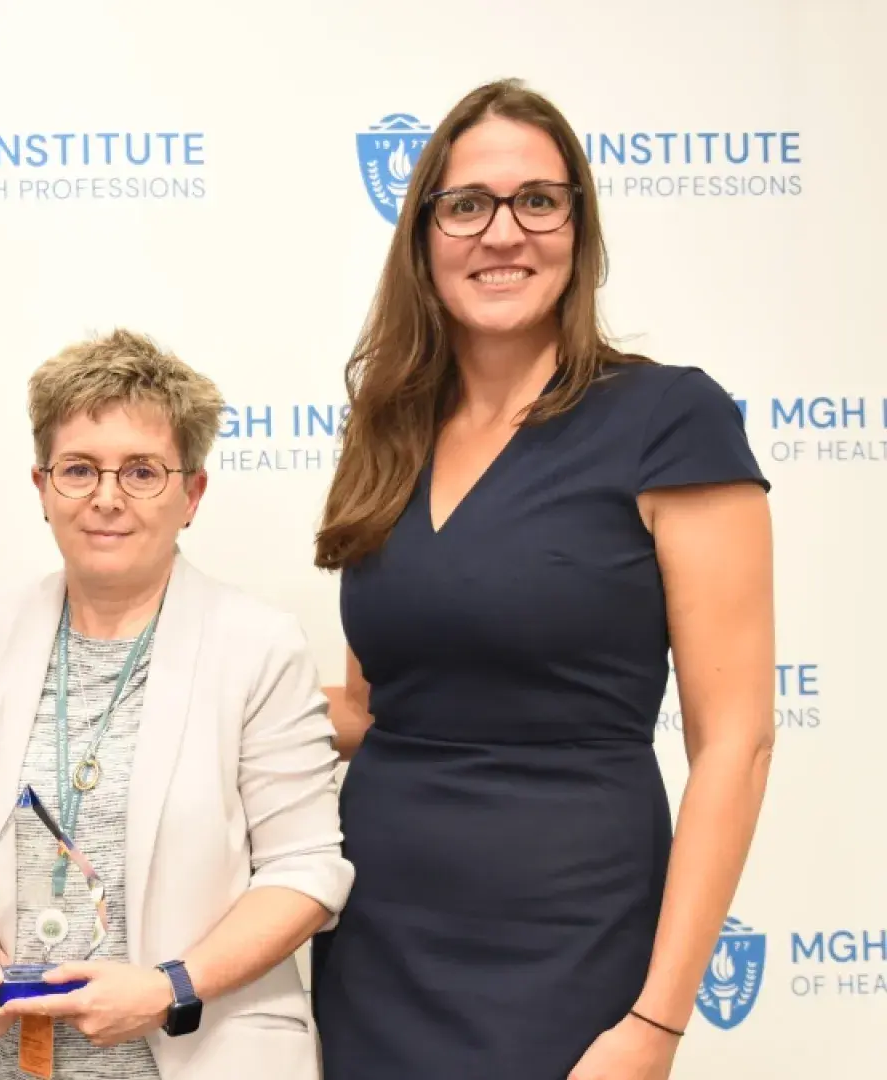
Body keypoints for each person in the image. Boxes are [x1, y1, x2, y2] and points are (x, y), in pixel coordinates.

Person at [309, 78, 776, 1080]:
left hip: (573, 939)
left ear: (578, 225)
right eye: (467, 205)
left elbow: (734, 745)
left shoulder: (670, 419)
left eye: (537, 201)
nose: (502, 232)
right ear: (425, 234)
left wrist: (656, 1023)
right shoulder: (387, 429)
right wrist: (190, 698)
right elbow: (369, 709)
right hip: (377, 939)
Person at [0, 330, 354, 1080]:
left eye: (141, 471)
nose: (107, 497)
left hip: (206, 1057)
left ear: (192, 495)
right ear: (41, 488)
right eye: (79, 470)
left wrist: (170, 988)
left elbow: (306, 871)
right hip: (19, 1063)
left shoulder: (258, 647)